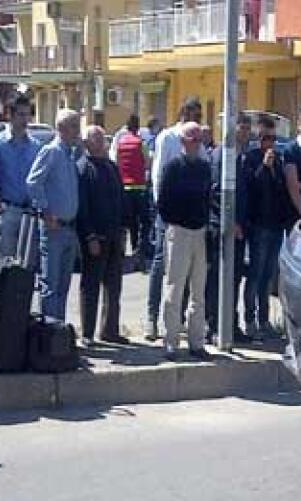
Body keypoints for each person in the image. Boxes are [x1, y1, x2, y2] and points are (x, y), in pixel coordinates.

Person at [145, 97, 204, 340]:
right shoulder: (168, 138)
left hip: (193, 221)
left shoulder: (199, 149)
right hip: (170, 216)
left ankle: (181, 324)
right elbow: (159, 177)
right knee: (163, 267)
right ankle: (152, 318)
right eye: (193, 113)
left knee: (190, 276)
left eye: (199, 115)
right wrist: (164, 215)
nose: (196, 118)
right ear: (183, 112)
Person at [158, 122, 213, 360]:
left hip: (199, 232)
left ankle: (196, 342)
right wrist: (176, 221)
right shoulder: (172, 167)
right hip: (179, 231)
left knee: (198, 291)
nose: (197, 144)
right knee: (174, 288)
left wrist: (203, 224)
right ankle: (170, 341)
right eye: (193, 140)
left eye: (199, 140)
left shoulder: (204, 167)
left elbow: (208, 198)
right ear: (183, 142)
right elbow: (163, 201)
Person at [26, 109, 83, 322]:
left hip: (69, 227)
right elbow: (33, 182)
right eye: (74, 126)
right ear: (61, 129)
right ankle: (49, 335)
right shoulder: (51, 151)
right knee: (50, 283)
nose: (78, 131)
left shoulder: (70, 153)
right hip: (54, 227)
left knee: (63, 284)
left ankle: (60, 334)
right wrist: (45, 211)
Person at [204, 111, 253, 344]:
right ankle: (214, 326)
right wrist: (230, 222)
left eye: (247, 127)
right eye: (241, 127)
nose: (245, 132)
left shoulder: (240, 155)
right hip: (222, 229)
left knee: (234, 279)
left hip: (240, 229)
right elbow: (215, 193)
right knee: (217, 279)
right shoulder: (221, 155)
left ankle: (231, 325)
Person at [75, 126, 126, 346]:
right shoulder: (83, 168)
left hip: (115, 235)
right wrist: (90, 237)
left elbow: (120, 200)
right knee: (91, 285)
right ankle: (87, 333)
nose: (102, 141)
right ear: (86, 143)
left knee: (114, 286)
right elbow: (83, 207)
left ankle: (110, 330)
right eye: (97, 137)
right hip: (95, 237)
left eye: (104, 137)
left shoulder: (111, 167)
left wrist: (124, 231)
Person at [242, 115, 290, 343]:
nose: (269, 143)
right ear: (258, 138)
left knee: (268, 277)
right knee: (255, 275)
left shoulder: (279, 161)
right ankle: (250, 320)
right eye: (265, 138)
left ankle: (264, 321)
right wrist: (264, 166)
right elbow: (251, 187)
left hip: (275, 226)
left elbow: (282, 190)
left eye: (272, 138)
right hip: (258, 226)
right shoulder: (251, 159)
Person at [0, 94, 42, 263]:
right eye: (21, 114)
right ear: (10, 115)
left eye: (28, 114)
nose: (25, 119)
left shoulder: (36, 146)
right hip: (8, 210)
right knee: (6, 265)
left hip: (30, 213)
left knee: (28, 266)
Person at [112, 114, 152, 271]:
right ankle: (138, 253)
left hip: (124, 188)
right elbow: (148, 163)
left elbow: (116, 162)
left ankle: (120, 254)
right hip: (139, 188)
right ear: (137, 128)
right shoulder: (140, 143)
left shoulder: (120, 143)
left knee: (125, 224)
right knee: (142, 224)